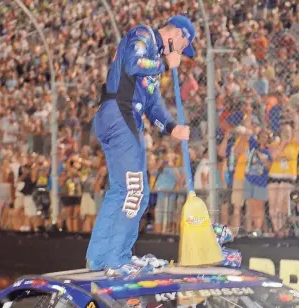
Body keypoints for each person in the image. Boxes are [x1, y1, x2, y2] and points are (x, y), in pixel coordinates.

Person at [86, 15, 193, 271]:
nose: (181, 52)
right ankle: (118, 258)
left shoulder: (153, 57)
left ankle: (98, 258)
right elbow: (135, 63)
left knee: (122, 191)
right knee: (136, 192)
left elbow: (154, 105)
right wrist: (166, 65)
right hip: (120, 113)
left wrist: (171, 127)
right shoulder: (143, 35)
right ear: (178, 34)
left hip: (120, 116)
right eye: (183, 46)